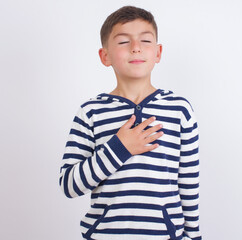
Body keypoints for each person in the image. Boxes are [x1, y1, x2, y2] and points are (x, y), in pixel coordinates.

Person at [59, 5, 201, 240]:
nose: (136, 48)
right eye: (124, 42)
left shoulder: (180, 110)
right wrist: (120, 148)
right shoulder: (90, 113)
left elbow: (188, 184)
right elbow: (69, 185)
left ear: (158, 52)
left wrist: (193, 237)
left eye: (145, 40)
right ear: (105, 56)